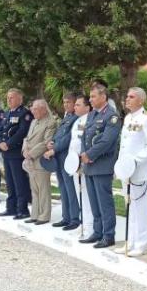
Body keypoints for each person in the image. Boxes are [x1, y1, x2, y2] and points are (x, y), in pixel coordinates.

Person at [113, 87, 147, 255]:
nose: (127, 99)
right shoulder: (128, 118)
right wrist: (121, 166)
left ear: (141, 100)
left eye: (131, 97)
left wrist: (135, 160)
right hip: (126, 170)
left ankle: (141, 244)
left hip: (139, 170)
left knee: (140, 208)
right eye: (127, 96)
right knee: (130, 206)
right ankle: (130, 241)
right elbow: (124, 146)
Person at [78, 83, 122, 249]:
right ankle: (97, 232)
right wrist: (84, 154)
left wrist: (90, 155)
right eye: (90, 96)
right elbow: (84, 137)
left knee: (104, 202)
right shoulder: (91, 115)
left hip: (102, 165)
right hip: (89, 165)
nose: (90, 99)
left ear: (103, 97)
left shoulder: (112, 116)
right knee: (94, 202)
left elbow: (107, 141)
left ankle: (108, 235)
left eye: (93, 96)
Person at [0, 88, 33, 220]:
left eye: (11, 97)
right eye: (8, 97)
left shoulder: (25, 113)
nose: (9, 100)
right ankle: (11, 208)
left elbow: (22, 131)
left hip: (16, 152)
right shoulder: (6, 113)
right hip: (6, 153)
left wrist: (8, 144)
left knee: (19, 182)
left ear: (20, 99)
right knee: (10, 182)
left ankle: (22, 209)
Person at [46, 93, 79, 229]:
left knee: (70, 189)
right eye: (64, 102)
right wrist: (52, 141)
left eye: (68, 102)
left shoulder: (77, 118)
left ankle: (74, 219)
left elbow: (68, 138)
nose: (65, 105)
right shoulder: (67, 117)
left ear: (75, 104)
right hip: (59, 157)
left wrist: (55, 148)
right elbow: (59, 134)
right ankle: (66, 217)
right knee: (63, 188)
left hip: (67, 157)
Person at [22, 99, 57, 225]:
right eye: (32, 109)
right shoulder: (34, 121)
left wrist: (31, 154)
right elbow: (27, 139)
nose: (33, 111)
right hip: (30, 160)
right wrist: (25, 151)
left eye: (35, 109)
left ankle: (44, 216)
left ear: (43, 109)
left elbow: (46, 141)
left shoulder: (51, 122)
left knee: (43, 189)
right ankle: (35, 214)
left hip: (40, 159)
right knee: (34, 189)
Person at [64, 95, 93, 235]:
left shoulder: (90, 120)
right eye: (75, 104)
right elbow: (73, 142)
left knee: (87, 195)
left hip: (84, 162)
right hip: (74, 163)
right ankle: (83, 223)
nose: (74, 107)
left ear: (87, 107)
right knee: (79, 193)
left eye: (78, 105)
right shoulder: (77, 121)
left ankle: (90, 225)